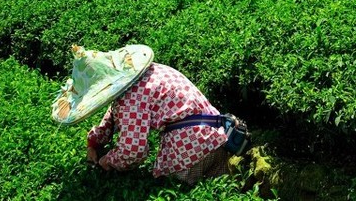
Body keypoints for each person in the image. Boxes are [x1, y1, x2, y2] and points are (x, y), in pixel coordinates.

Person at [51, 44, 237, 185]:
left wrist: (106, 161)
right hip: (216, 135)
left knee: (178, 186)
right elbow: (113, 115)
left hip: (191, 149)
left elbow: (132, 151)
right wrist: (94, 142)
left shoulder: (131, 99)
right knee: (226, 180)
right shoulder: (151, 72)